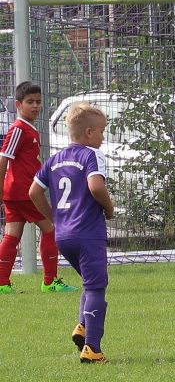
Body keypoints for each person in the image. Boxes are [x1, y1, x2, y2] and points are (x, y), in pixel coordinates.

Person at [29, 102, 114, 364]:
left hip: (63, 235)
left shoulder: (54, 159)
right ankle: (92, 349)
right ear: (89, 132)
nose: (102, 137)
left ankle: (83, 326)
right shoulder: (90, 155)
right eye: (101, 131)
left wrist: (54, 217)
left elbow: (33, 191)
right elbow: (96, 187)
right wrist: (109, 209)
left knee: (89, 284)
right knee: (97, 287)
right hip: (88, 233)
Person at [0, 81, 77, 295]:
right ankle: (50, 281)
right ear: (18, 104)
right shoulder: (18, 129)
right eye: (30, 102)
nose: (35, 106)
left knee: (11, 235)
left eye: (38, 102)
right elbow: (3, 159)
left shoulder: (28, 128)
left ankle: (2, 283)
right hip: (24, 192)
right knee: (52, 229)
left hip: (16, 192)